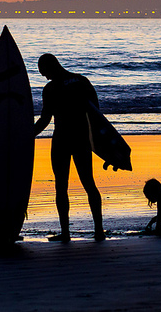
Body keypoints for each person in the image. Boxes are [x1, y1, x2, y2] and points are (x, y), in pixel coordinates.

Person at [34, 53, 105, 242]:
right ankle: (99, 231)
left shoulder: (50, 88)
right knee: (88, 183)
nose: (44, 76)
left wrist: (27, 135)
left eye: (43, 72)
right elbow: (96, 112)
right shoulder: (82, 81)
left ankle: (66, 233)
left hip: (62, 138)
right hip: (81, 137)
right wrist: (99, 139)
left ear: (50, 67)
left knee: (61, 186)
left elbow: (45, 119)